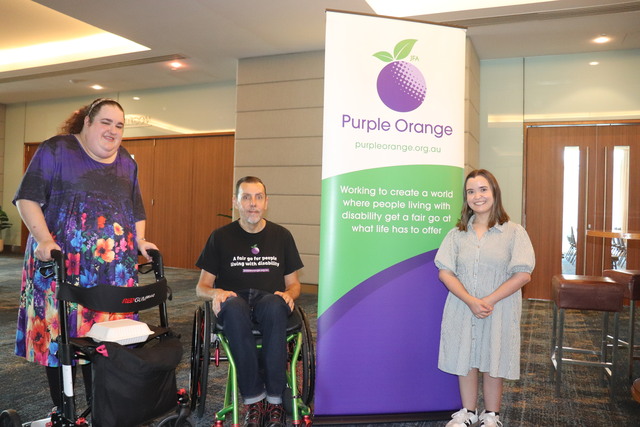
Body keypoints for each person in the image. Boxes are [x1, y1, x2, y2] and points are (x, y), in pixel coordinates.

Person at [13, 98, 158, 409]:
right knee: (61, 338)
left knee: (107, 339)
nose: (113, 130)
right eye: (106, 122)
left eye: (119, 125)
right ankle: (63, 408)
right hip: (62, 263)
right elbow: (27, 198)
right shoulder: (57, 150)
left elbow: (135, 209)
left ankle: (99, 407)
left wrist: (141, 240)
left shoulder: (126, 161)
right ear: (87, 122)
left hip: (113, 271)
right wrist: (43, 239)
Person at [195, 176, 303, 427]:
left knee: (276, 306)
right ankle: (254, 400)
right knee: (232, 308)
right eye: (246, 197)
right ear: (236, 202)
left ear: (266, 202)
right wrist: (216, 293)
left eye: (258, 197)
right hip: (235, 299)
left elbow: (294, 284)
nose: (252, 203)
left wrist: (290, 294)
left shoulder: (282, 236)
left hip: (269, 299)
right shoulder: (220, 237)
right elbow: (201, 287)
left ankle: (275, 401)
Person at [434, 169, 535, 427]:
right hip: (462, 306)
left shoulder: (514, 232)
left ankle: (492, 415)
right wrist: (470, 300)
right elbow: (445, 273)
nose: (477, 196)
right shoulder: (456, 234)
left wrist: (488, 300)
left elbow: (523, 274)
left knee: (493, 358)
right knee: (465, 357)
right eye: (471, 191)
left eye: (483, 189)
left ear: (494, 193)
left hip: (498, 308)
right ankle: (468, 412)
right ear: (466, 197)